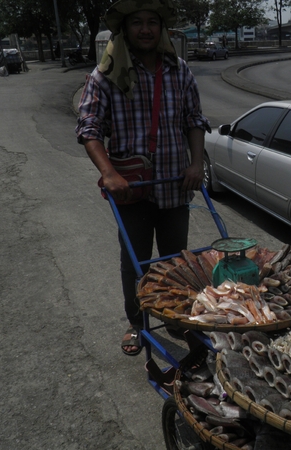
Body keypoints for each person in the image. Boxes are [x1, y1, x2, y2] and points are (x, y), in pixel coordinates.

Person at [75, 0, 210, 356]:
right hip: (131, 189)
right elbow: (89, 129)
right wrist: (109, 174)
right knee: (134, 260)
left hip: (174, 186)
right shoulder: (105, 74)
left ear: (162, 28)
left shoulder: (180, 71)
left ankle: (177, 316)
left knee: (175, 262)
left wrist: (196, 164)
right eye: (138, 23)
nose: (146, 29)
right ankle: (137, 325)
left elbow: (194, 120)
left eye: (152, 22)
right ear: (125, 30)